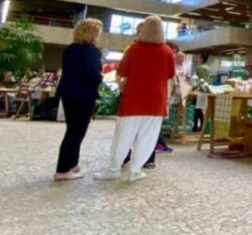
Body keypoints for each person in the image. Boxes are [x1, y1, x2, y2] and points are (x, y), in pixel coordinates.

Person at [95, 16, 175, 183]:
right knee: (148, 136)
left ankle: (114, 168)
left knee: (123, 135)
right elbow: (170, 75)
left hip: (133, 98)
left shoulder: (133, 49)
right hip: (156, 100)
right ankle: (135, 170)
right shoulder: (167, 51)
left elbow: (122, 71)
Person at [53, 19, 104, 182]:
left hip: (68, 93)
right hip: (84, 95)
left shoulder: (70, 49)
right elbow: (92, 74)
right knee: (75, 133)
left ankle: (72, 162)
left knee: (72, 129)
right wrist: (101, 76)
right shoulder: (92, 51)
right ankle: (62, 170)